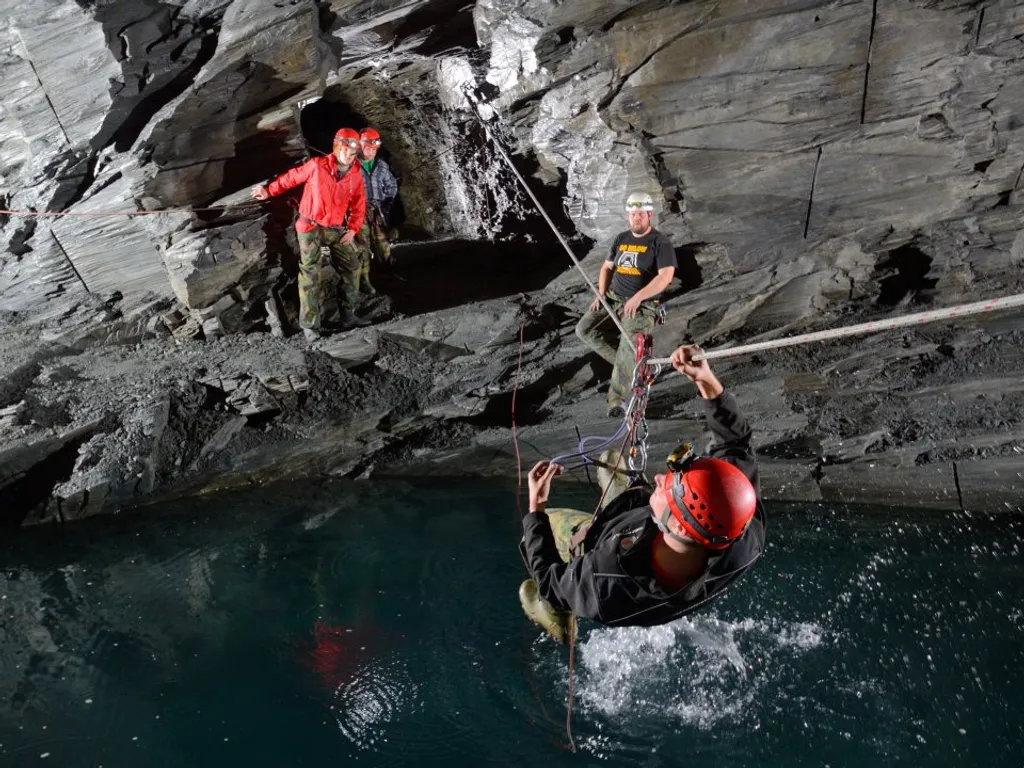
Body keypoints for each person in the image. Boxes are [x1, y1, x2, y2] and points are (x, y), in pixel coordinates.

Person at [518, 344, 766, 640]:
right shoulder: (742, 527)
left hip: (605, 547)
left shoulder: (605, 579)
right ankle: (624, 496)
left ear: (675, 524)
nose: (660, 477)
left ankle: (557, 617)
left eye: (670, 485)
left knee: (538, 538)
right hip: (643, 526)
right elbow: (736, 445)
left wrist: (537, 506)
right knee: (637, 494)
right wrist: (705, 379)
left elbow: (550, 581)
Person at [251, 127, 369, 341]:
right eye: (345, 150)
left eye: (353, 152)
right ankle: (310, 326)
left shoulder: (355, 176)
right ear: (336, 147)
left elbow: (359, 206)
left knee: (352, 265)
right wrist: (268, 191)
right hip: (310, 227)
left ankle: (348, 315)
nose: (349, 155)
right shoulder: (317, 166)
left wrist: (352, 229)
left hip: (335, 229)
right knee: (311, 273)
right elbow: (291, 178)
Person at [576, 192, 677, 418]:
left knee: (627, 346)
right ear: (627, 216)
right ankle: (632, 367)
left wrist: (638, 297)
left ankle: (617, 399)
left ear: (649, 214)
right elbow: (606, 268)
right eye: (633, 214)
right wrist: (601, 294)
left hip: (642, 305)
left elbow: (665, 277)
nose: (636, 219)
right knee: (584, 330)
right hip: (614, 297)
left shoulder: (660, 242)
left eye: (640, 214)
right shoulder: (621, 238)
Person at [355, 127, 399, 298]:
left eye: (374, 148)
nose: (371, 151)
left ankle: (388, 274)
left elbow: (392, 185)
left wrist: (387, 203)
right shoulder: (351, 166)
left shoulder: (381, 165)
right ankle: (365, 281)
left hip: (378, 210)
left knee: (383, 243)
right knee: (362, 246)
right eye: (367, 147)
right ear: (360, 146)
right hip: (359, 212)